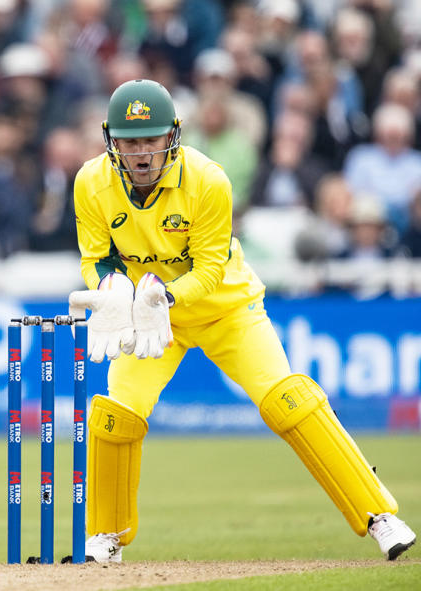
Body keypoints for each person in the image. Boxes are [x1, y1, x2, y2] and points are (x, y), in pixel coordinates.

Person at [67, 79, 416, 563]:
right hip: (149, 321)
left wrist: (162, 296)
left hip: (225, 310)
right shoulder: (91, 181)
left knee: (288, 400)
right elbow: (96, 257)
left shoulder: (208, 180)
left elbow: (210, 269)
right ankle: (105, 536)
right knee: (115, 413)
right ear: (111, 140)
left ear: (173, 135)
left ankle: (381, 516)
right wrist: (111, 288)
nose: (142, 153)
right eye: (130, 140)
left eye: (151, 139)